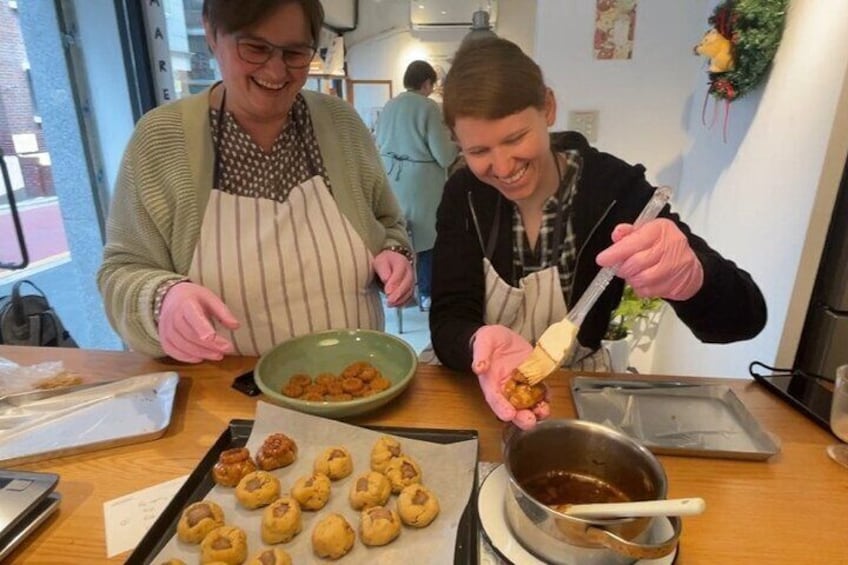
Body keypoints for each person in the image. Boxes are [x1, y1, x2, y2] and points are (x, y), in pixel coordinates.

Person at [430, 37, 767, 429]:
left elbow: (746, 318)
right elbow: (449, 318)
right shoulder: (463, 193)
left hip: (577, 388)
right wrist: (475, 343)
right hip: (477, 386)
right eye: (479, 152)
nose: (503, 168)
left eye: (515, 138)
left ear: (549, 108)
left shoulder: (616, 190)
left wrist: (695, 279)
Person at [97, 0, 414, 363]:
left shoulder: (342, 125)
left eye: (295, 53)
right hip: (223, 395)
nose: (276, 71)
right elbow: (121, 270)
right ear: (213, 34)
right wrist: (162, 299)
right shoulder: (162, 139)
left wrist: (394, 254)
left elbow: (390, 224)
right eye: (255, 48)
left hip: (361, 383)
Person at [375, 60, 457, 311]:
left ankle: (396, 286)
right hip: (421, 184)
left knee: (399, 232)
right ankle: (427, 292)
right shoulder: (429, 108)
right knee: (429, 236)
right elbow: (444, 155)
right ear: (426, 83)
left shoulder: (390, 105)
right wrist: (458, 145)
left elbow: (378, 142)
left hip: (392, 180)